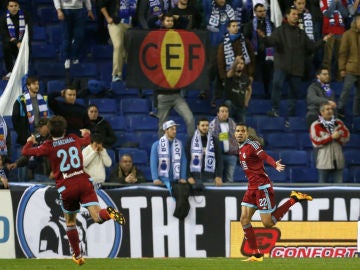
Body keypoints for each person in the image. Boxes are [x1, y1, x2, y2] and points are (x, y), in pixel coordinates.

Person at [21, 115, 125, 265]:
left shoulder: (48, 146)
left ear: (50, 130)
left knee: (70, 222)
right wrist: (86, 133)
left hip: (67, 187)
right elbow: (87, 140)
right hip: (84, 181)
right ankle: (108, 213)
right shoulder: (74, 138)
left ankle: (77, 255)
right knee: (97, 216)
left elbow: (26, 152)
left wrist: (29, 142)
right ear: (64, 129)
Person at [234, 122, 313, 261]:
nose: (240, 133)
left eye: (242, 131)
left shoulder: (253, 145)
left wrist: (274, 163)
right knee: (244, 219)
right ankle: (256, 253)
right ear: (235, 133)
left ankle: (293, 199)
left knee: (268, 223)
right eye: (237, 131)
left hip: (262, 188)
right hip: (251, 187)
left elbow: (264, 156)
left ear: (247, 133)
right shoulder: (240, 148)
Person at [259, 6, 332, 118]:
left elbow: (311, 47)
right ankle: (275, 109)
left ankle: (291, 114)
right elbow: (270, 42)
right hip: (282, 65)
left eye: (297, 15)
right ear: (287, 16)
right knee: (277, 84)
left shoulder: (301, 33)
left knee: (294, 92)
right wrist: (264, 38)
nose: (295, 16)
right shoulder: (279, 30)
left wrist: (323, 41)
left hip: (297, 67)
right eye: (293, 14)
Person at [12, 76, 49, 181]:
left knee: (42, 164)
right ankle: (21, 188)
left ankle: (44, 185)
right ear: (28, 86)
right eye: (34, 84)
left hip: (41, 137)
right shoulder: (21, 100)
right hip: (26, 138)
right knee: (24, 163)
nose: (37, 86)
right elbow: (15, 120)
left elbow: (47, 118)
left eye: (37, 84)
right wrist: (26, 137)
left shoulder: (43, 99)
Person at [309, 103, 350, 183]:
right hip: (324, 162)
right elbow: (316, 142)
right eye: (327, 109)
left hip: (338, 161)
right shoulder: (315, 125)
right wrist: (331, 137)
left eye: (331, 109)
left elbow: (347, 137)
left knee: (339, 189)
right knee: (322, 189)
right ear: (322, 112)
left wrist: (338, 138)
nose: (330, 111)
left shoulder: (339, 123)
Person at [98, 0, 136, 82]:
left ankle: (132, 74)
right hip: (115, 23)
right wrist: (107, 17)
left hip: (130, 24)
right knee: (118, 45)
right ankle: (116, 74)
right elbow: (101, 4)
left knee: (127, 51)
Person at [243, 3, 274, 98]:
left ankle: (267, 91)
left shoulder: (270, 24)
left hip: (267, 53)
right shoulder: (249, 24)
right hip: (253, 53)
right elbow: (245, 38)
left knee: (267, 72)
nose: (263, 13)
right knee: (250, 74)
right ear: (255, 12)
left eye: (264, 11)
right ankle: (247, 92)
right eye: (260, 11)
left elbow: (274, 39)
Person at [7, 118, 52, 182]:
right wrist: (17, 163)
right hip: (38, 173)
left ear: (47, 126)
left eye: (41, 127)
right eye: (38, 127)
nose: (39, 129)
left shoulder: (53, 138)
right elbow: (27, 154)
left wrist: (53, 171)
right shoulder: (37, 139)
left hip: (50, 174)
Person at [53, 0, 95, 69]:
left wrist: (89, 10)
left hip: (79, 10)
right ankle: (67, 58)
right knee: (67, 38)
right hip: (65, 9)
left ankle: (74, 56)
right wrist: (59, 10)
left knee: (80, 36)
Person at [217, 20, 255, 89]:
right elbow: (221, 63)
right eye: (233, 26)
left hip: (244, 74)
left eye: (237, 26)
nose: (236, 28)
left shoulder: (245, 42)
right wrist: (223, 78)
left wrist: (251, 74)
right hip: (230, 75)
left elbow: (251, 58)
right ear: (228, 28)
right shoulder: (223, 45)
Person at [150, 120, 187, 190]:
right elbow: (153, 163)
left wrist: (183, 177)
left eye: (175, 129)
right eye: (172, 129)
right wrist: (155, 178)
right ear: (166, 130)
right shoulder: (156, 145)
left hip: (177, 180)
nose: (175, 131)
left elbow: (183, 162)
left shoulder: (180, 144)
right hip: (162, 181)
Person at [186, 117, 223, 187]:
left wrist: (218, 176)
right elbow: (187, 159)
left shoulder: (214, 141)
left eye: (207, 125)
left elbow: (219, 159)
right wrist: (188, 176)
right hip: (194, 177)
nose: (205, 127)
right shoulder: (190, 141)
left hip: (210, 177)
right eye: (202, 125)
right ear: (198, 126)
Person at [0, 0, 31, 80]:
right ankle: (10, 71)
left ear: (18, 6)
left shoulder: (25, 16)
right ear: (7, 7)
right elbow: (4, 35)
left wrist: (22, 42)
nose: (14, 8)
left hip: (23, 43)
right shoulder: (3, 19)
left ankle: (23, 73)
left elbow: (29, 31)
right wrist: (16, 42)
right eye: (11, 6)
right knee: (6, 45)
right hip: (11, 43)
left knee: (27, 46)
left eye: (15, 5)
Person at [337, 13, 360, 119]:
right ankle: (339, 109)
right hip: (351, 68)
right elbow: (343, 53)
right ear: (356, 21)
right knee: (346, 90)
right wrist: (342, 68)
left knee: (358, 96)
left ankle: (356, 115)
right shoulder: (347, 34)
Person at [208, 104, 238, 182]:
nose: (224, 113)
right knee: (218, 179)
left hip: (231, 156)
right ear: (218, 113)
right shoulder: (212, 125)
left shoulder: (233, 123)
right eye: (222, 111)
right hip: (218, 156)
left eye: (226, 111)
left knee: (229, 179)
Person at [320, 0, 348, 80]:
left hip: (341, 31)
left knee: (340, 57)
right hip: (329, 32)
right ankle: (326, 79)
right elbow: (327, 14)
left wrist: (339, 3)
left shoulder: (342, 1)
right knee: (327, 57)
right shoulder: (323, 1)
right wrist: (334, 2)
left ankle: (339, 79)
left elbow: (345, 14)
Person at [224, 56, 252, 123]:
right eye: (238, 63)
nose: (239, 65)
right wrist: (235, 62)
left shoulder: (246, 78)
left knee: (242, 127)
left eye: (242, 63)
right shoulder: (230, 75)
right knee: (228, 103)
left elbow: (249, 90)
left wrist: (246, 102)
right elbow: (230, 72)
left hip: (241, 107)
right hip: (231, 105)